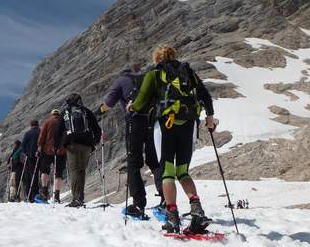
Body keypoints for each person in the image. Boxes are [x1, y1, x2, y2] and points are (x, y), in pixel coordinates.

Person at [128, 46, 215, 234]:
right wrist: (209, 117)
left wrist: (131, 106)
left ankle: (172, 218)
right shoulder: (187, 71)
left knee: (167, 171)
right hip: (189, 123)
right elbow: (205, 95)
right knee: (183, 171)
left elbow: (141, 101)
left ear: (156, 58)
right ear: (174, 56)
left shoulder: (155, 73)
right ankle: (197, 211)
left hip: (166, 125)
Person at [94, 63, 164, 218]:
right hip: (151, 122)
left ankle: (139, 204)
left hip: (134, 122)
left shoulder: (120, 81)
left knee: (134, 162)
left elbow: (109, 103)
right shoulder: (144, 78)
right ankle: (165, 199)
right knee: (153, 161)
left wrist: (99, 112)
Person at [56, 93, 101, 207]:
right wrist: (94, 141)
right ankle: (80, 198)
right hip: (86, 145)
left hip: (72, 144)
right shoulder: (86, 111)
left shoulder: (66, 112)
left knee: (74, 170)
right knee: (81, 170)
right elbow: (96, 128)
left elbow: (57, 131)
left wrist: (57, 146)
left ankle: (77, 199)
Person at [36, 109, 66, 203]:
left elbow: (42, 136)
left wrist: (39, 146)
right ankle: (57, 195)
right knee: (59, 173)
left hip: (47, 150)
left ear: (52, 114)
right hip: (61, 150)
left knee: (45, 171)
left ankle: (44, 191)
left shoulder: (47, 122)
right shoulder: (64, 122)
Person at [22, 120, 41, 202]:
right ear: (37, 125)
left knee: (30, 176)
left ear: (31, 125)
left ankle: (29, 196)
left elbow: (23, 145)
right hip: (39, 156)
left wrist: (27, 153)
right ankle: (36, 194)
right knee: (36, 175)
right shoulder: (40, 132)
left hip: (30, 157)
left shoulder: (27, 133)